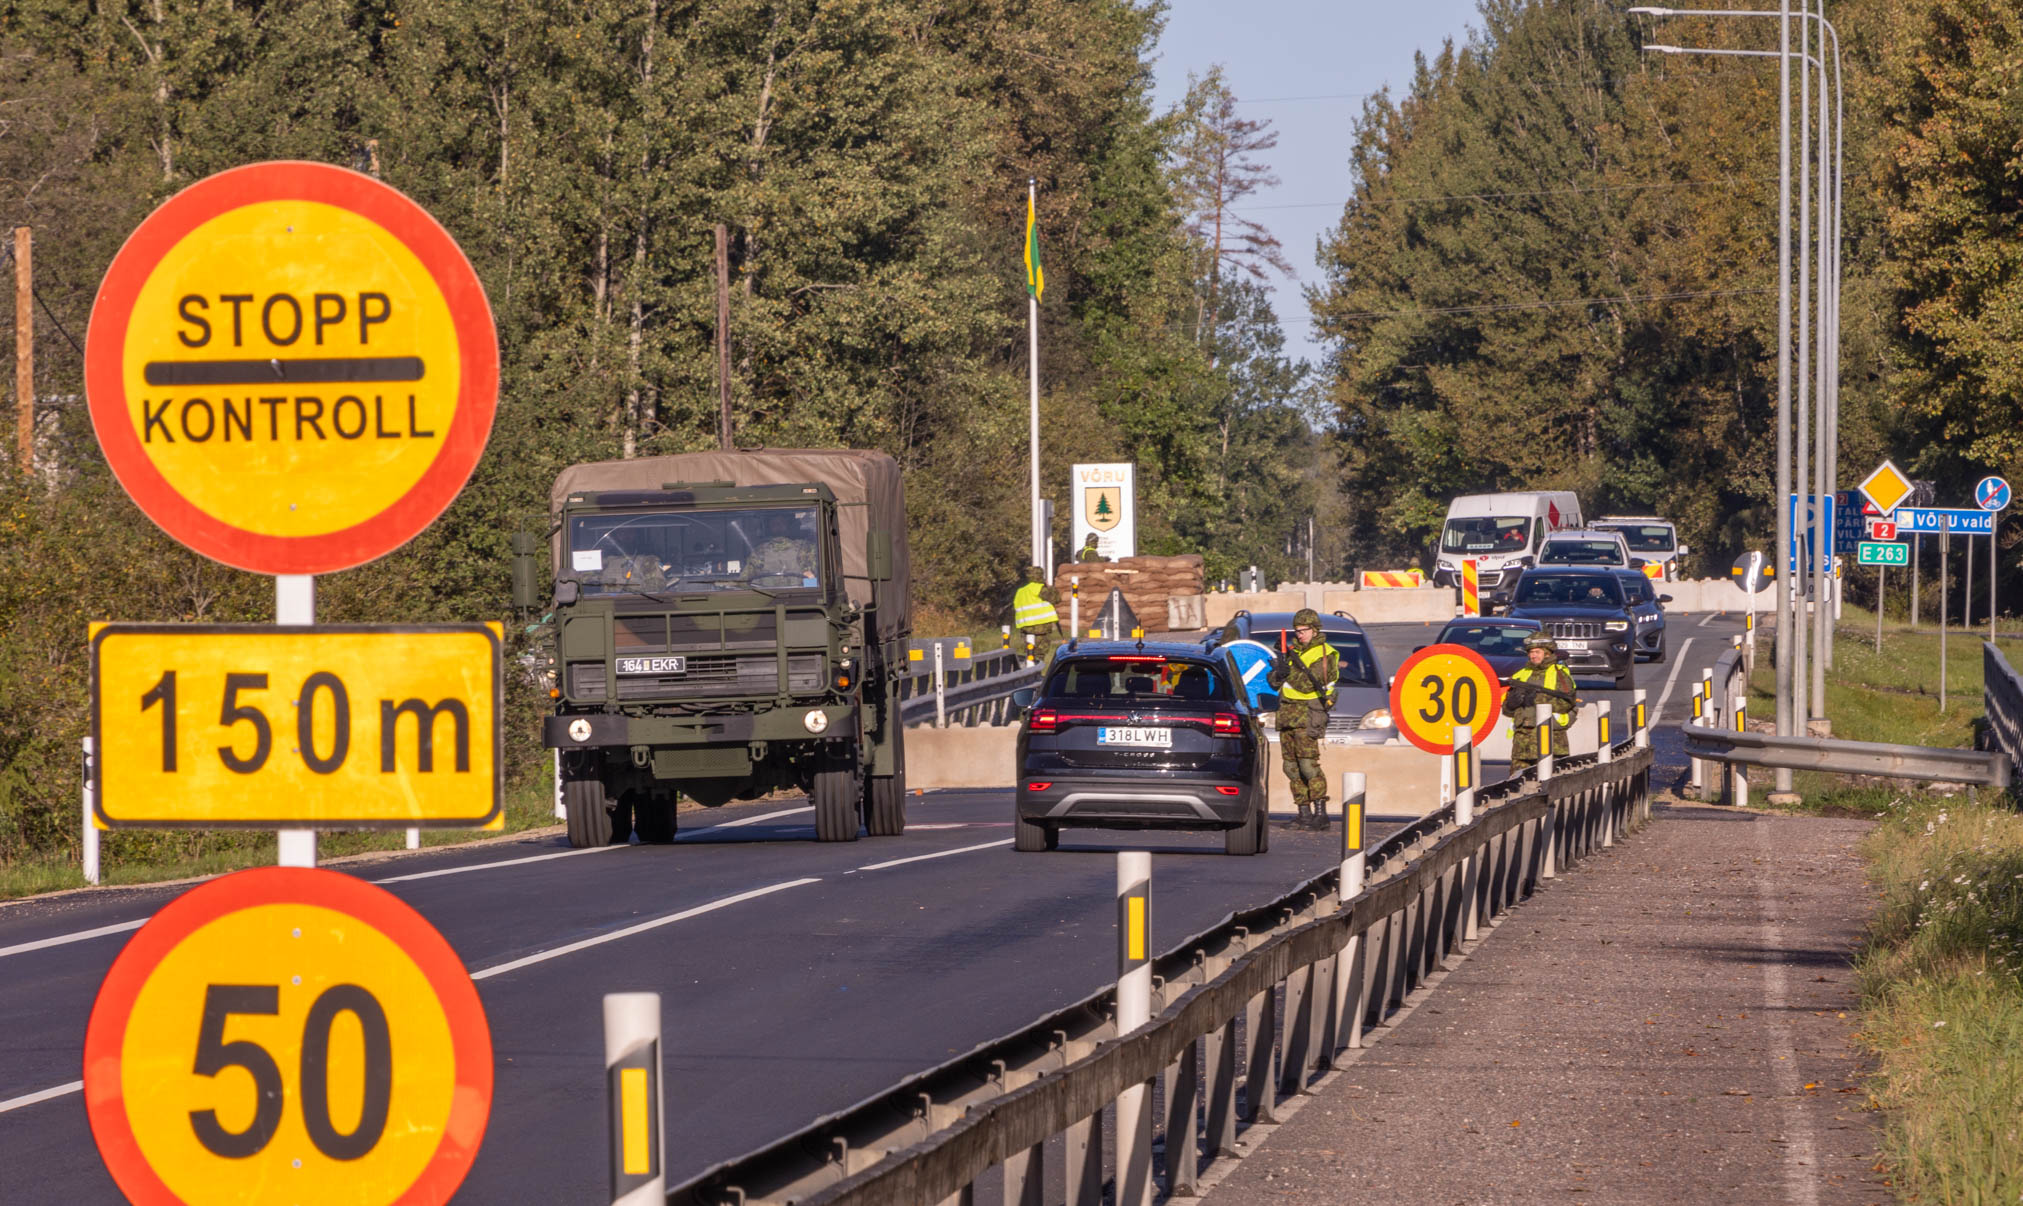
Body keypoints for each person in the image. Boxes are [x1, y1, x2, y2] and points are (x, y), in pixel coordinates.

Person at [1268, 609, 1338, 830]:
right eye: (1296, 631)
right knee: (1291, 767)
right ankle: (1303, 812)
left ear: (1315, 629)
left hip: (1308, 715)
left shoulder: (1325, 654)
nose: (1299, 635)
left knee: (1308, 765)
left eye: (1303, 630)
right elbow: (1273, 682)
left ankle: (1321, 813)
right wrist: (1278, 671)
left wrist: (1286, 670)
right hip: (1287, 715)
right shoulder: (1291, 653)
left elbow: (1308, 683)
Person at [1503, 635, 1579, 772]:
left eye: (1537, 652)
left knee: (1552, 787)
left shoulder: (1559, 674)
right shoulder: (1521, 674)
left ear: (1547, 653)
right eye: (1531, 652)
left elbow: (1567, 703)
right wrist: (1510, 705)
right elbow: (1507, 710)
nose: (1533, 656)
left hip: (1552, 744)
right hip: (1522, 747)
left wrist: (1535, 700)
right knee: (1517, 788)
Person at [746, 513, 817, 585]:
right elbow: (744, 581)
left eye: (782, 523)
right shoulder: (759, 552)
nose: (778, 526)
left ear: (789, 525)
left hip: (799, 594)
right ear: (769, 527)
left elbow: (814, 579)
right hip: (765, 594)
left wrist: (809, 587)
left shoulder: (806, 548)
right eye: (774, 524)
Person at [1011, 565, 1061, 663]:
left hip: (1025, 627)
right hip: (1041, 627)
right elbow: (1056, 599)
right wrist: (1051, 588)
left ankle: (1028, 670)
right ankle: (1036, 673)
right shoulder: (1040, 588)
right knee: (1039, 653)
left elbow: (1016, 606)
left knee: (1029, 651)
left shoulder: (1021, 591)